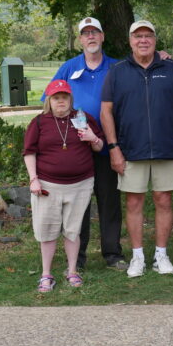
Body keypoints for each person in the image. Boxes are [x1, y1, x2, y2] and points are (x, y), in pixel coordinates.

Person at [100, 20, 173, 277]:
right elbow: (106, 111)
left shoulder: (171, 68)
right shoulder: (118, 71)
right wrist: (113, 148)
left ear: (155, 40)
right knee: (134, 202)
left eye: (148, 36)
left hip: (166, 147)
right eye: (138, 36)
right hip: (130, 148)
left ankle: (161, 255)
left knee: (163, 200)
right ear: (130, 41)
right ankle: (137, 257)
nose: (143, 40)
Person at [44, 17, 125, 271]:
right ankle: (77, 258)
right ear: (80, 39)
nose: (91, 37)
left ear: (102, 37)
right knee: (78, 204)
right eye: (85, 33)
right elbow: (48, 101)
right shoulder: (69, 68)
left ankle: (112, 253)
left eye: (95, 32)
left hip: (106, 144)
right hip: (77, 150)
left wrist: (162, 56)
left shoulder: (117, 67)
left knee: (109, 200)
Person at [23, 80, 105, 292]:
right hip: (48, 184)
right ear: (49, 101)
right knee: (47, 230)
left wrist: (92, 137)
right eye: (56, 97)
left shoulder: (82, 118)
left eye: (65, 97)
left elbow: (99, 146)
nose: (61, 101)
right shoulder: (39, 122)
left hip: (80, 184)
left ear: (71, 99)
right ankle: (46, 274)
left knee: (73, 230)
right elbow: (29, 152)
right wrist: (33, 179)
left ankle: (72, 271)